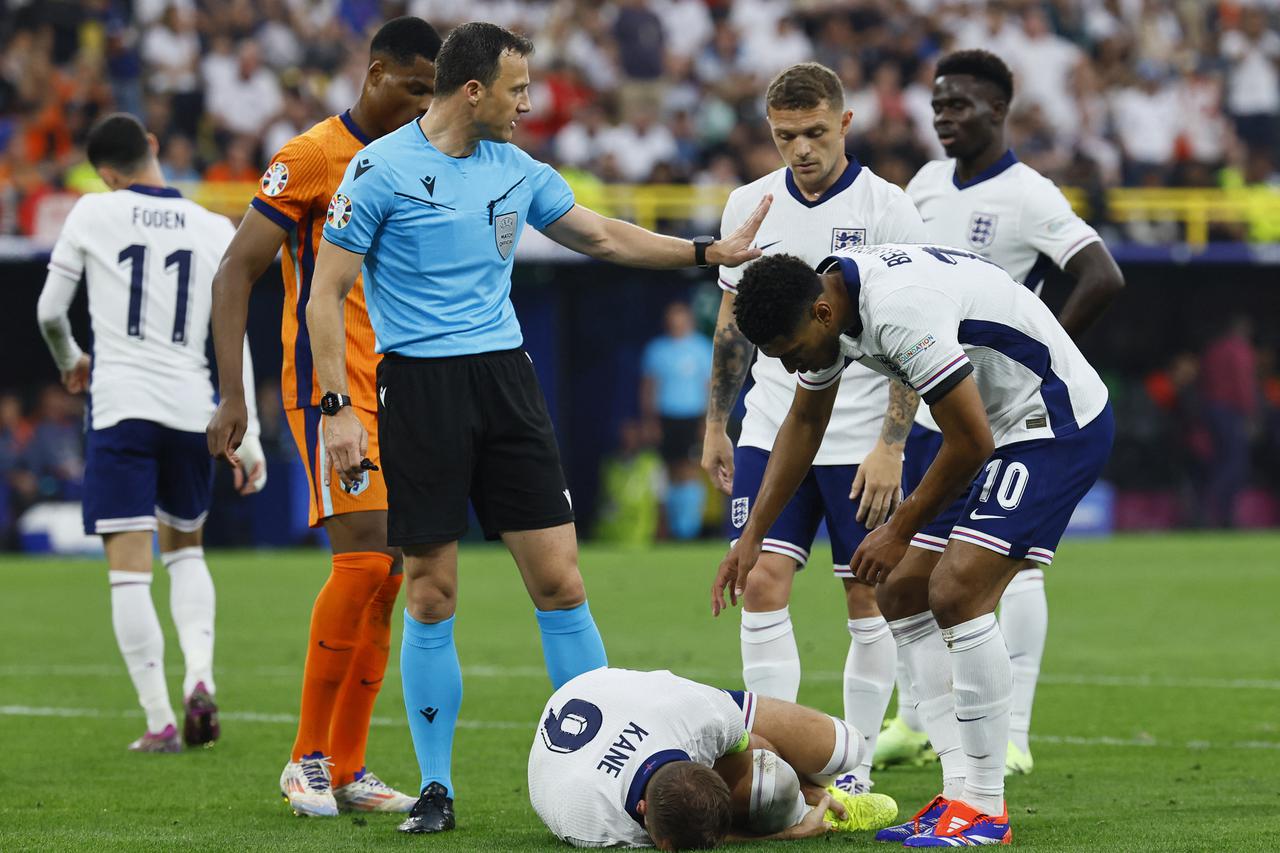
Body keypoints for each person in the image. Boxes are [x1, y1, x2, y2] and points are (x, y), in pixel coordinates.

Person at [307, 22, 770, 834]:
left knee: (561, 583)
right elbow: (324, 294)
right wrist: (338, 409)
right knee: (431, 589)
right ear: (475, 90)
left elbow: (600, 234)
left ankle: (604, 762)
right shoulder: (377, 170)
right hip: (417, 387)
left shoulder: (516, 169)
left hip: (507, 384)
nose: (531, 103)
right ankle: (437, 786)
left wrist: (709, 250)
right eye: (519, 90)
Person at [714, 244, 1114, 846]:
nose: (796, 366)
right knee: (901, 589)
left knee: (956, 591)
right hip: (994, 425)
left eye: (793, 353)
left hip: (1050, 422)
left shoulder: (898, 310)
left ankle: (984, 809)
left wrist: (898, 527)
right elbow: (803, 423)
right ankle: (956, 794)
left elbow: (972, 441)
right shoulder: (829, 305)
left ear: (822, 315)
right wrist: (751, 538)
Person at [204, 16, 442, 817]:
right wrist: (235, 392)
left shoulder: (422, 159)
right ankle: (305, 755)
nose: (423, 105)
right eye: (413, 87)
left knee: (391, 575)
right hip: (333, 391)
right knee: (363, 561)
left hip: (406, 387)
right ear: (374, 73)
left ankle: (347, 764)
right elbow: (235, 271)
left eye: (433, 93)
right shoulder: (309, 156)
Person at [878, 49, 1124, 776]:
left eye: (960, 104)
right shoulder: (923, 185)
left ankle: (1013, 730)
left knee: (1009, 572)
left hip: (1013, 421)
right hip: (935, 410)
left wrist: (1041, 349)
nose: (944, 116)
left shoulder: (1029, 195)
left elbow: (1101, 274)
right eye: (938, 103)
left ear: (999, 109)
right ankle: (918, 719)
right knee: (906, 575)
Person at [702, 61, 926, 794]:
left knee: (866, 592)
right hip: (776, 418)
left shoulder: (889, 207)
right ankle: (791, 759)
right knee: (761, 575)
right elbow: (732, 327)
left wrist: (892, 442)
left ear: (846, 125)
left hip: (863, 429)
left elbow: (915, 333)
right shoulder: (749, 201)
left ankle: (853, 765)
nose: (801, 149)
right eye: (785, 135)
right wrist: (717, 422)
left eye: (815, 133)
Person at [35, 113, 266, 754]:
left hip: (121, 407)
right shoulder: (215, 225)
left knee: (129, 574)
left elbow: (50, 310)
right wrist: (246, 435)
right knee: (186, 551)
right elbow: (232, 331)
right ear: (155, 148)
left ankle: (161, 719)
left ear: (108, 174)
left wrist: (71, 361)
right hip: (193, 409)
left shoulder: (92, 213)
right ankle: (201, 676)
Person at [527, 666, 898, 849]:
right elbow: (707, 838)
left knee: (844, 748)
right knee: (772, 785)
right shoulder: (591, 822)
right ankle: (811, 810)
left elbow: (761, 747)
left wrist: (807, 789)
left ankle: (820, 799)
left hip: (631, 693)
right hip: (596, 723)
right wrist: (792, 829)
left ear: (703, 760)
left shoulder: (700, 715)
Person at [640, 301, 713, 540]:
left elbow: (709, 387)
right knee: (668, 470)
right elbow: (649, 387)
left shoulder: (701, 348)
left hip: (692, 416)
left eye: (680, 318)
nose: (676, 323)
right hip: (666, 416)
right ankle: (669, 528)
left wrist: (708, 422)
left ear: (689, 319)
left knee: (689, 469)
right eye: (672, 318)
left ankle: (689, 530)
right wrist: (650, 421)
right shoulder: (657, 350)